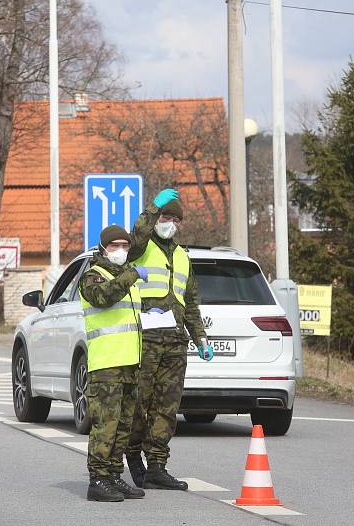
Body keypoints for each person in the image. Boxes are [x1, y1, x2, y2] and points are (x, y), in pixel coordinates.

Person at [125, 188, 214, 491]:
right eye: (166, 216)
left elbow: (190, 302)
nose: (171, 223)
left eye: (176, 219)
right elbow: (137, 231)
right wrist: (153, 206)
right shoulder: (139, 246)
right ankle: (133, 459)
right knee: (139, 403)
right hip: (145, 339)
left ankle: (157, 467)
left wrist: (200, 337)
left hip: (175, 342)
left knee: (166, 407)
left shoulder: (183, 256)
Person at [78, 225, 149, 502]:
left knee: (123, 426)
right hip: (106, 365)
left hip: (130, 363)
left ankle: (114, 475)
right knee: (105, 425)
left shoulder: (127, 279)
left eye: (125, 246)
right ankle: (97, 479)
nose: (121, 250)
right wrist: (132, 274)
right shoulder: (93, 276)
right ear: (104, 248)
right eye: (115, 245)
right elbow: (104, 297)